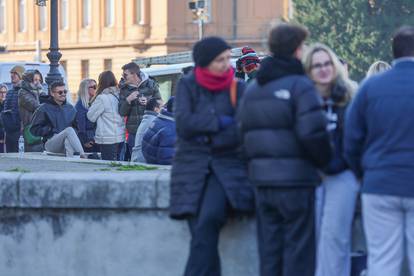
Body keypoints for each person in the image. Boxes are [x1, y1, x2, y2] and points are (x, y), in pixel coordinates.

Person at [238, 23, 332, 276]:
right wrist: (328, 164)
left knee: (270, 253)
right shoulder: (300, 85)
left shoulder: (253, 90)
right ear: (297, 50)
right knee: (298, 253)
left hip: (262, 184)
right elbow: (313, 134)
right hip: (296, 183)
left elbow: (242, 136)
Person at [170, 36, 254, 276]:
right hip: (191, 167)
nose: (226, 64)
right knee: (199, 232)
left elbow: (241, 128)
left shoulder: (239, 87)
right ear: (205, 62)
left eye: (228, 58)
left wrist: (205, 130)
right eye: (220, 60)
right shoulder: (188, 85)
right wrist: (218, 123)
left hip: (227, 167)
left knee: (209, 220)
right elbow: (184, 124)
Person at [344, 26, 414, 276]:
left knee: (383, 260)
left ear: (393, 53)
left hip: (379, 183)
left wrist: (363, 173)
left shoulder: (370, 88)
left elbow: (351, 140)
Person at [303, 43, 359, 276]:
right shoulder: (303, 99)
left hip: (342, 174)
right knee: (312, 237)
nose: (323, 69)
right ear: (309, 70)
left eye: (327, 63)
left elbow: (357, 137)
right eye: (317, 65)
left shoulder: (350, 95)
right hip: (311, 175)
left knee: (335, 236)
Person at [30, 81, 86, 158]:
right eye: (60, 92)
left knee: (68, 140)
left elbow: (76, 128)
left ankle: (71, 166)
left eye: (65, 92)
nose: (63, 94)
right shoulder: (43, 108)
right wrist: (50, 129)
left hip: (66, 140)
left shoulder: (71, 108)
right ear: (52, 94)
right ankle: (82, 155)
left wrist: (71, 134)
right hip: (50, 142)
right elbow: (34, 129)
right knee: (69, 130)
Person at [118, 62, 161, 159]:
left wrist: (148, 101)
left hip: (150, 129)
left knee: (149, 158)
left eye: (125, 74)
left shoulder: (151, 83)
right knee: (135, 159)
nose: (123, 77)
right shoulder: (124, 89)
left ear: (134, 74)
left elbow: (160, 103)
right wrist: (128, 100)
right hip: (133, 132)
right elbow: (121, 112)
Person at [87, 71, 125, 161]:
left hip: (108, 138)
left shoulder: (102, 98)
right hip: (120, 136)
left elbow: (90, 117)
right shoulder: (119, 94)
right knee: (117, 165)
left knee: (108, 168)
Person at [18, 69, 46, 152]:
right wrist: (38, 93)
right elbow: (35, 106)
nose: (38, 82)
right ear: (29, 80)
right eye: (35, 80)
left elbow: (46, 101)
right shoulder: (23, 92)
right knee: (33, 153)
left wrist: (41, 92)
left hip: (39, 127)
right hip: (29, 128)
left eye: (39, 80)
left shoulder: (37, 91)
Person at [142, 97, 176, 165]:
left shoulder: (159, 120)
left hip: (151, 165)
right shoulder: (172, 130)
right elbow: (168, 161)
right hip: (160, 172)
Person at [131, 97, 163, 163]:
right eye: (162, 107)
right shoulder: (154, 121)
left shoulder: (148, 118)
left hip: (137, 158)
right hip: (143, 160)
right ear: (156, 109)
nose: (164, 109)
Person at [3, 65, 24, 152]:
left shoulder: (24, 91)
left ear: (21, 75)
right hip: (9, 131)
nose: (12, 75)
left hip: (20, 131)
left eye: (15, 73)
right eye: (11, 73)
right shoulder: (10, 92)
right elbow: (5, 111)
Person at [75, 78, 98, 153]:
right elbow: (80, 125)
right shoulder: (80, 105)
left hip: (95, 136)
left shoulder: (94, 102)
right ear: (85, 89)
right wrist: (85, 141)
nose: (96, 88)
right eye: (93, 87)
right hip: (88, 138)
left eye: (96, 86)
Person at [0, 84, 6, 153]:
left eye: (4, 92)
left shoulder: (7, 105)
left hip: (6, 138)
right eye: (1, 92)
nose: (3, 94)